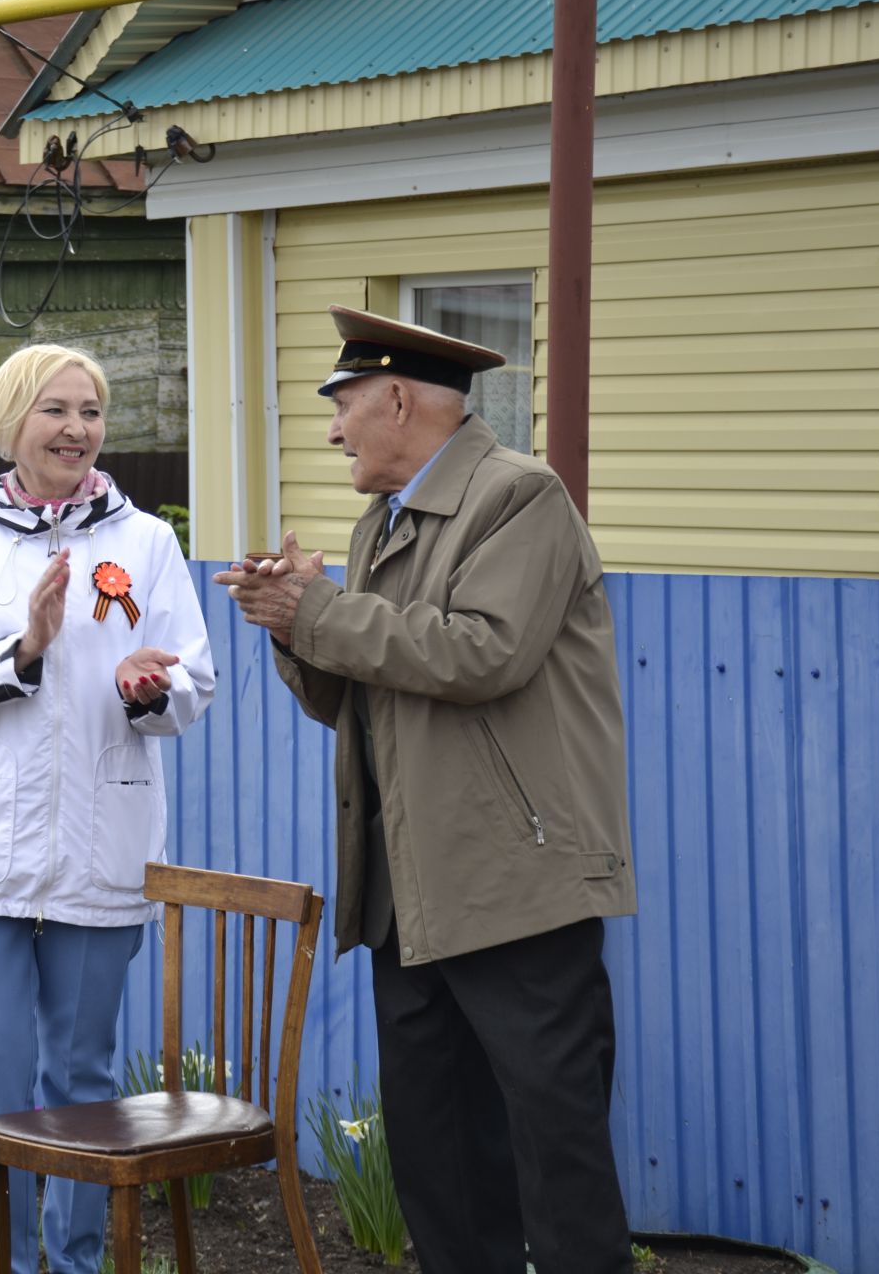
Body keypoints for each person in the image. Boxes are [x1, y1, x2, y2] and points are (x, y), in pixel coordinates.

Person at [213, 305, 638, 1274]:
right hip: (407, 892)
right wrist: (290, 625)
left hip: (516, 887)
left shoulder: (522, 497)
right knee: (440, 1161)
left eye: (344, 404)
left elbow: (481, 653)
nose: (332, 431)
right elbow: (358, 699)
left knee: (555, 1158)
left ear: (398, 397)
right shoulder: (381, 525)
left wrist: (321, 611)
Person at [0, 344, 216, 1274]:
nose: (78, 428)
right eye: (56, 410)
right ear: (11, 425)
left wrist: (149, 685)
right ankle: (8, 1265)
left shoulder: (145, 543)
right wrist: (22, 650)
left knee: (82, 1084)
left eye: (91, 411)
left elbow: (194, 681)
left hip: (99, 852)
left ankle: (75, 1262)